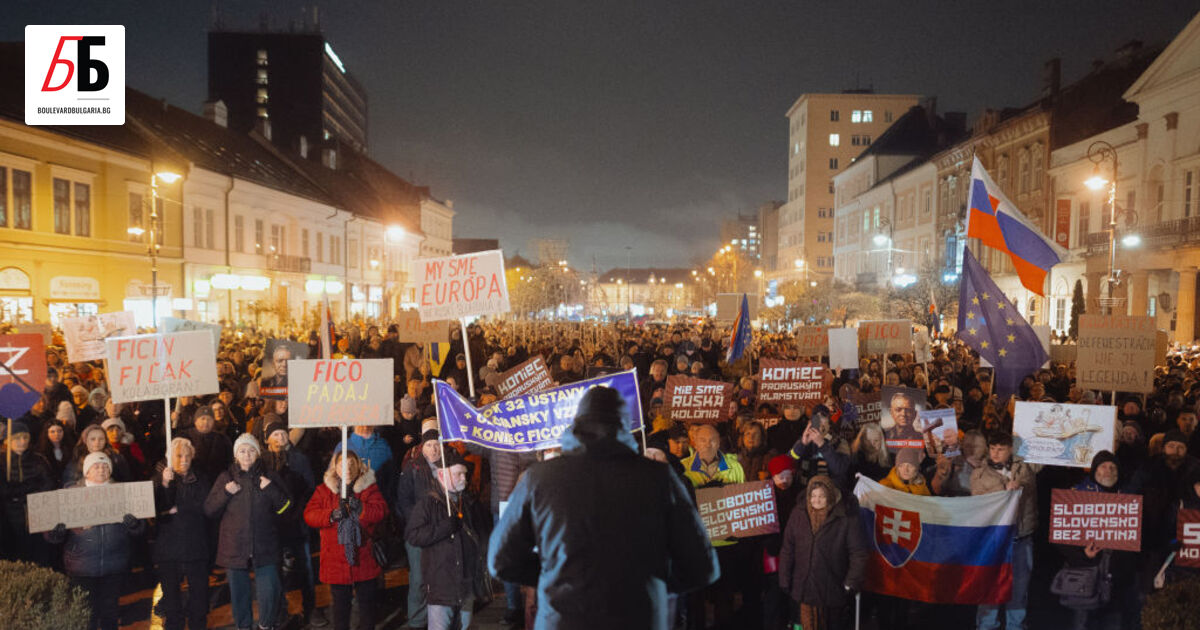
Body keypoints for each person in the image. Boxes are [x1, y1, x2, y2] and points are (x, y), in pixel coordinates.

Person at [489, 386, 718, 630]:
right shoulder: (659, 478)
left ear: (577, 426)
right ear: (623, 427)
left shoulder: (540, 478)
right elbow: (701, 565)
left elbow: (501, 559)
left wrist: (555, 578)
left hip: (564, 618)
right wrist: (652, 583)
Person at [45, 452, 146, 630]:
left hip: (113, 565)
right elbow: (51, 536)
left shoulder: (124, 492)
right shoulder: (70, 494)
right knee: (85, 615)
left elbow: (140, 530)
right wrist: (56, 531)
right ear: (86, 472)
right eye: (96, 466)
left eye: (105, 466)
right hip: (82, 566)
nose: (101, 469)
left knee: (110, 613)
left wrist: (135, 524)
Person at [204, 433, 291, 630]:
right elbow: (209, 510)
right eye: (242, 451)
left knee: (269, 591)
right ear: (236, 455)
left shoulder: (269, 476)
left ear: (258, 454)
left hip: (265, 545)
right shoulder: (225, 477)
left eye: (251, 450)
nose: (246, 455)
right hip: (234, 546)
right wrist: (226, 492)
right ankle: (243, 626)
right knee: (239, 594)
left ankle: (265, 625)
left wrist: (271, 490)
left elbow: (286, 507)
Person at [304, 450, 388, 630]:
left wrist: (362, 509)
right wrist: (331, 515)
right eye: (342, 464)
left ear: (358, 466)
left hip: (363, 557)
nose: (347, 469)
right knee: (340, 609)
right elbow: (309, 515)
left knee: (367, 608)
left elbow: (381, 512)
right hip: (336, 559)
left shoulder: (368, 488)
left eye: (351, 464)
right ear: (335, 467)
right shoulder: (324, 490)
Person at [406, 449, 489, 630]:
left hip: (466, 585)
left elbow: (481, 536)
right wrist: (444, 528)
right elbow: (413, 535)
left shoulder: (468, 502)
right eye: (458, 474)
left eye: (465, 475)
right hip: (441, 586)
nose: (463, 479)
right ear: (443, 474)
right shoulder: (428, 503)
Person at [1055, 450, 1138, 630]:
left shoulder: (1129, 498)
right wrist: (1082, 554)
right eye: (1103, 466)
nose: (1108, 471)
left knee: (1113, 623)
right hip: (1084, 574)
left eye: (1112, 467)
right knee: (1082, 623)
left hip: (1117, 577)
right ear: (1094, 471)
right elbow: (1061, 536)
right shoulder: (1075, 494)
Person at [779, 475, 868, 630]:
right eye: (813, 496)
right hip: (802, 587)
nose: (816, 500)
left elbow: (858, 553)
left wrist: (850, 583)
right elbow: (788, 548)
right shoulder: (798, 514)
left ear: (830, 497)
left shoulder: (846, 518)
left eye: (821, 496)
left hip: (832, 588)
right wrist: (784, 577)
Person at [971, 433, 1037, 630]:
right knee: (990, 586)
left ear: (1010, 450)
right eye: (992, 448)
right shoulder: (979, 474)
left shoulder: (1024, 468)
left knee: (1019, 589)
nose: (996, 453)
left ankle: (1016, 626)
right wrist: (1002, 492)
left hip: (1021, 537)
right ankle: (986, 625)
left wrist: (1019, 486)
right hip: (993, 540)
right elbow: (978, 500)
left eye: (1001, 449)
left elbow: (1030, 484)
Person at [153, 438, 213, 630]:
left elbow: (205, 508)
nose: (184, 460)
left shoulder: (201, 478)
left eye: (188, 456)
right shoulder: (159, 479)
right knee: (171, 597)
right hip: (169, 549)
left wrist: (180, 509)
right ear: (170, 457)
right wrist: (165, 484)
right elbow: (156, 510)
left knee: (199, 595)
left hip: (196, 546)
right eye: (179, 456)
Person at [395, 429, 443, 629]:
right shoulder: (412, 469)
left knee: (441, 577)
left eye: (436, 445)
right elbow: (403, 500)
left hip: (441, 532)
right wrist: (417, 521)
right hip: (418, 532)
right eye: (429, 445)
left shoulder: (448, 467)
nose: (433, 449)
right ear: (422, 448)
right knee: (418, 579)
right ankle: (416, 621)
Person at [1, 420, 55, 565]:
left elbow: (48, 483)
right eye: (17, 438)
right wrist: (28, 488)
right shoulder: (2, 462)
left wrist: (25, 494)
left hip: (37, 512)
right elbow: (4, 490)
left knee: (38, 552)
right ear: (7, 440)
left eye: (25, 437)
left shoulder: (38, 459)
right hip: (10, 517)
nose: (22, 441)